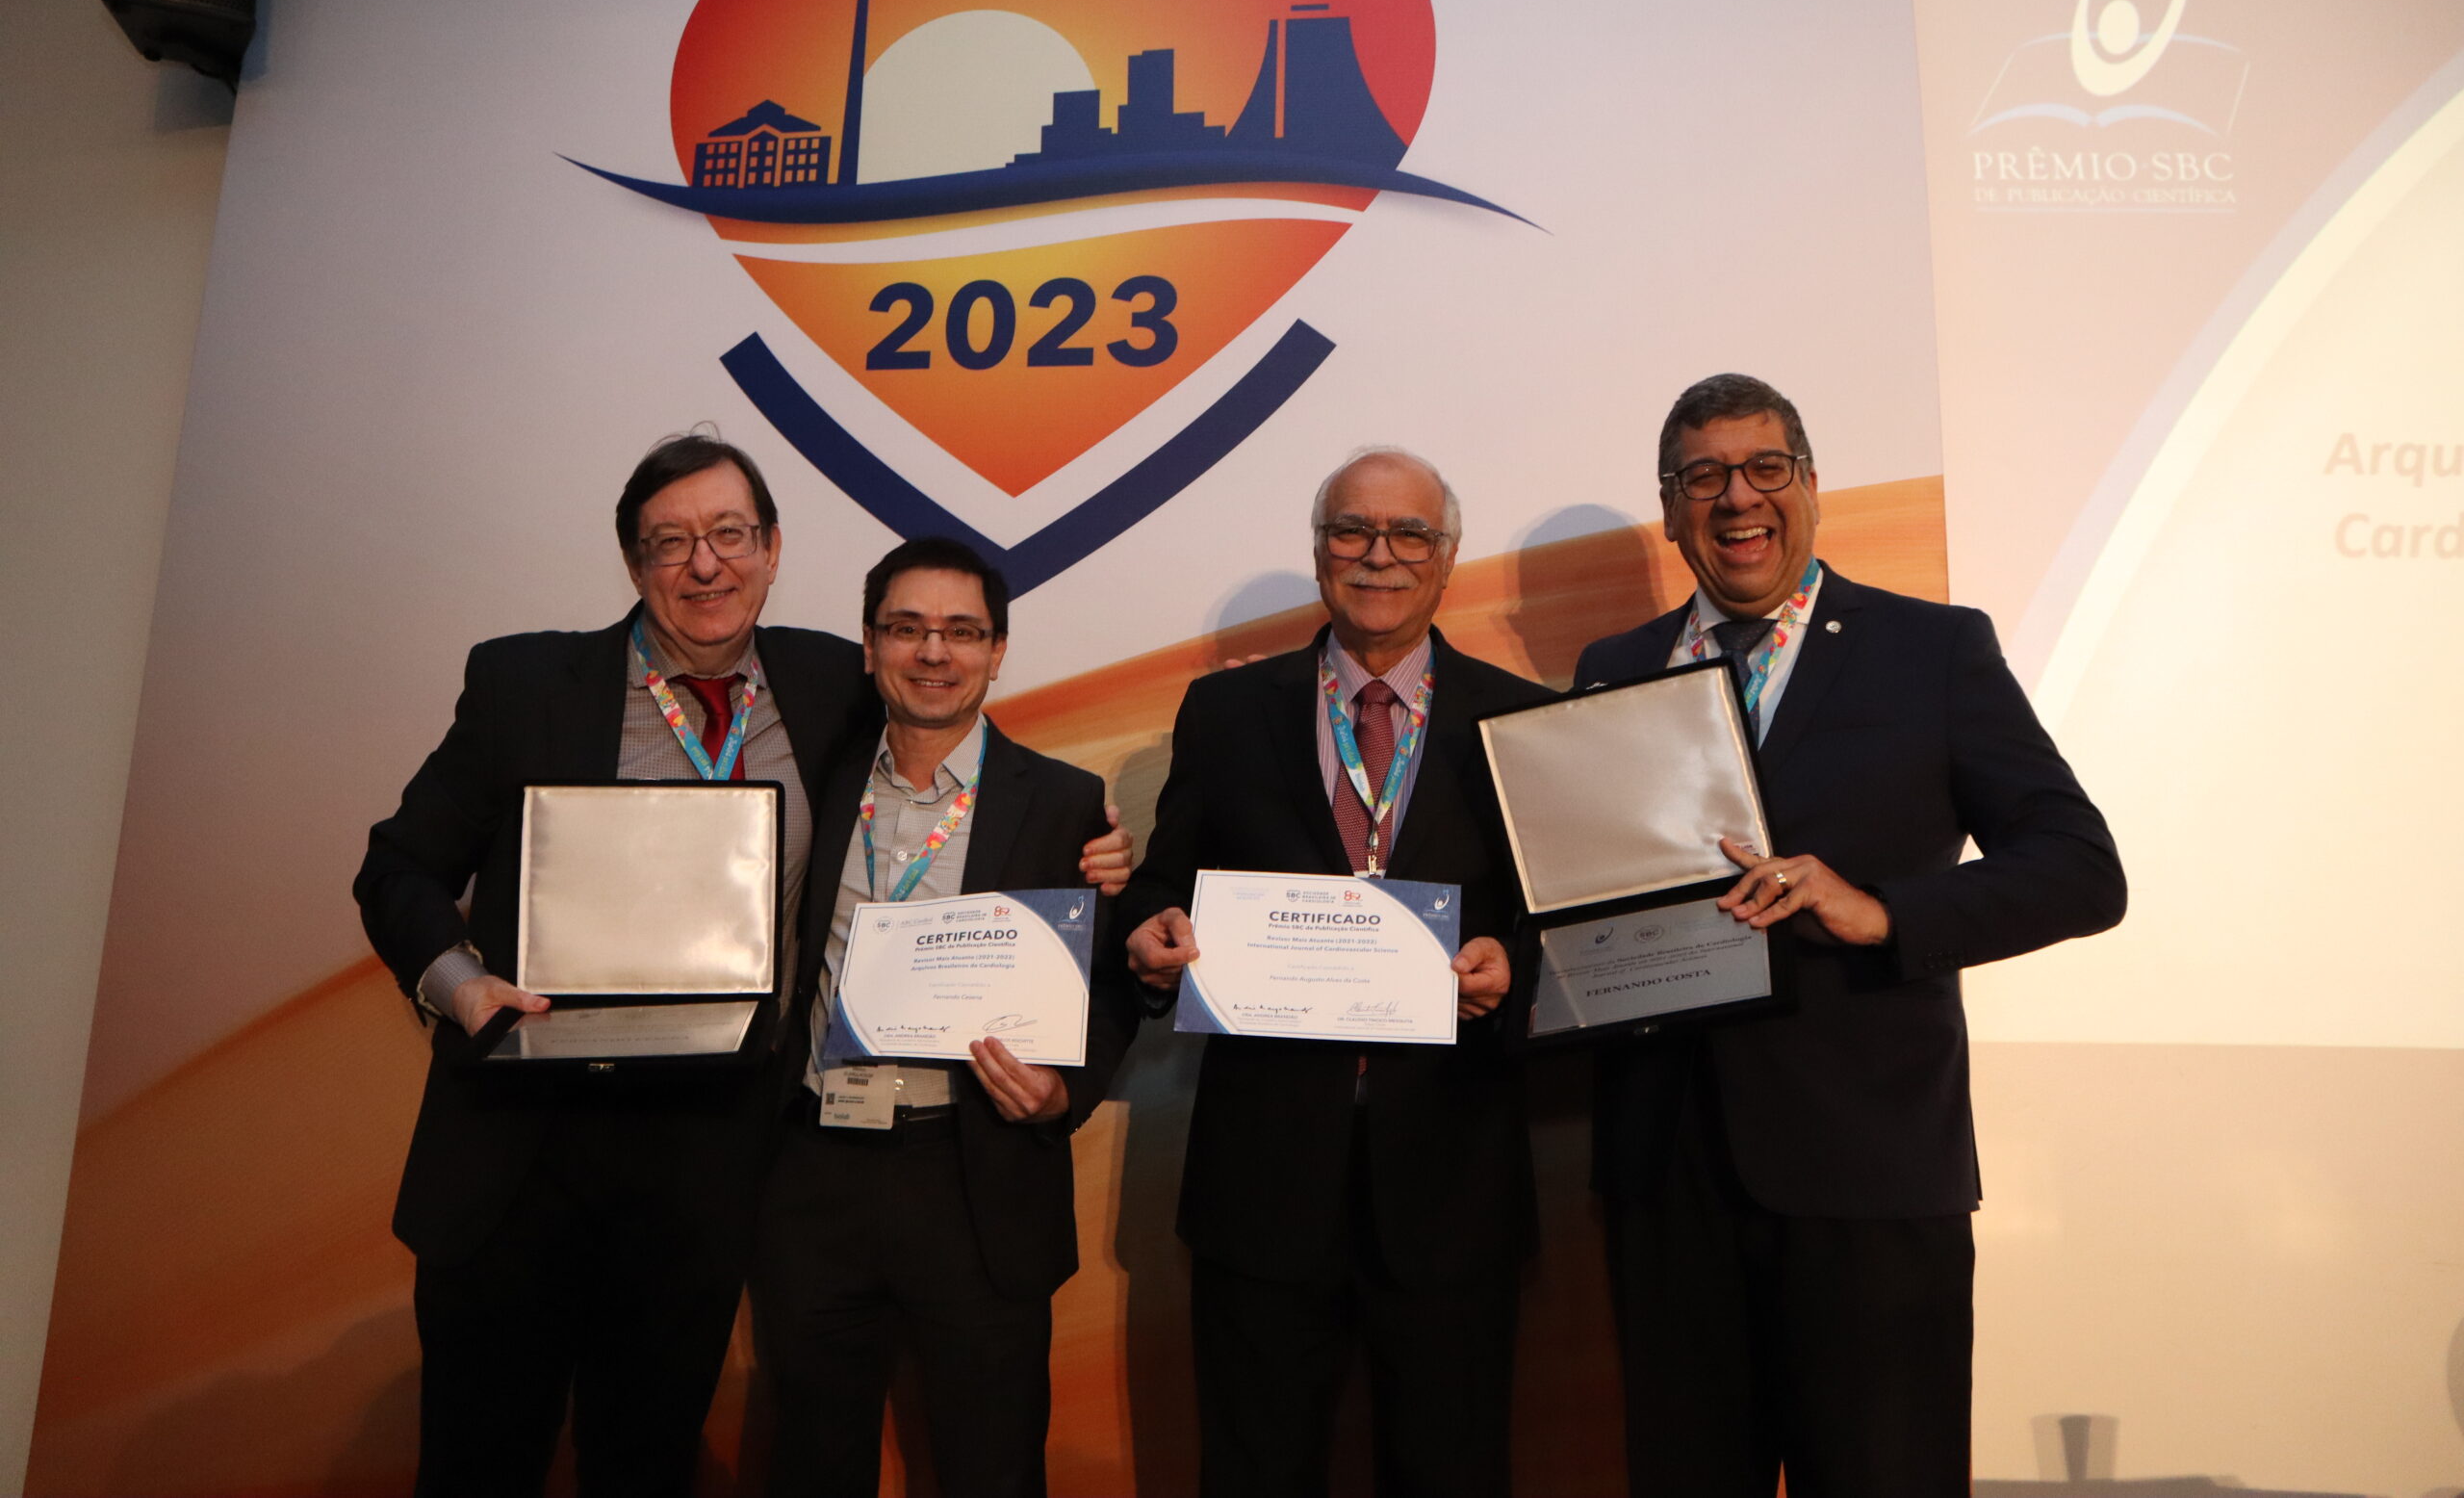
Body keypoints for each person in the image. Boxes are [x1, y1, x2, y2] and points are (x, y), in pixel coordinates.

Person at [353, 436, 1129, 1498]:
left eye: (728, 534)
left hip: (705, 1169)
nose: (705, 564)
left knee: (646, 1463)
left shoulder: (826, 683)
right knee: (478, 1465)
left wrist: (1100, 849)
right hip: (522, 1151)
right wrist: (461, 987)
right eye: (671, 542)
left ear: (771, 550)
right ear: (633, 563)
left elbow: (956, 750)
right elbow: (397, 868)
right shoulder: (524, 684)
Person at [1574, 374, 2126, 1497]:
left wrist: (1882, 910)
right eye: (1703, 477)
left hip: (1868, 1178)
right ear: (1671, 509)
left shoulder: (1933, 650)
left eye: (1764, 468)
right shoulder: (1614, 669)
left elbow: (2080, 870)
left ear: (1811, 486)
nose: (1738, 498)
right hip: (1668, 1181)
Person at [1119, 447, 1552, 1498]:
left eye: (1409, 534)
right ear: (1320, 552)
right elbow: (1162, 885)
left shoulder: (1518, 716)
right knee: (1255, 1470)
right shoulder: (1226, 713)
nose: (1378, 555)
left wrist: (1514, 963)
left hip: (1451, 1173)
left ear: (1447, 558)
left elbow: (1552, 918)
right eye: (1352, 530)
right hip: (1262, 1178)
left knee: (1451, 1473)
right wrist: (1148, 932)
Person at [751, 536, 1141, 1498]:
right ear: (870, 644)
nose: (934, 652)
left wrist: (1064, 1093)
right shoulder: (811, 785)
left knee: (990, 1468)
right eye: (907, 628)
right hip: (816, 1175)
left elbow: (1115, 986)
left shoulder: (1064, 803)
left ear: (997, 652)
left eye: (962, 632)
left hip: (975, 1178)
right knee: (812, 1465)